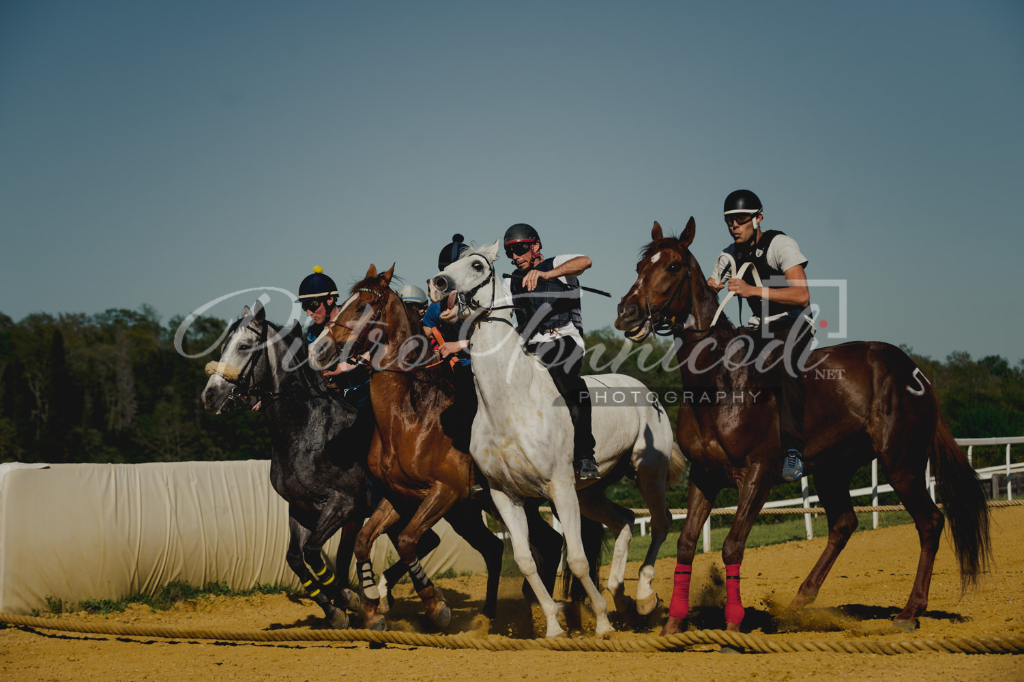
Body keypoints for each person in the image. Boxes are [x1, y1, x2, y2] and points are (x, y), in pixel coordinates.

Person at [706, 190, 813, 481]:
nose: (734, 226)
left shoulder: (781, 244)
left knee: (786, 367)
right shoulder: (729, 254)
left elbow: (802, 295)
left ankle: (793, 451)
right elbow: (713, 283)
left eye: (740, 220)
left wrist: (752, 291)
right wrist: (709, 287)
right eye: (729, 221)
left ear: (758, 218)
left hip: (793, 321)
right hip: (758, 326)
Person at [501, 223, 599, 480]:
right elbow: (499, 314)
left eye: (520, 250)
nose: (515, 257)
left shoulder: (559, 263)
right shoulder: (510, 282)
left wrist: (546, 275)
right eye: (510, 252)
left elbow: (585, 261)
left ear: (535, 246)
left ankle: (586, 455)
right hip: (529, 345)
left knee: (566, 379)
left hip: (563, 338)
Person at [423, 235, 477, 457]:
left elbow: (498, 341)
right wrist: (435, 350)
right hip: (450, 371)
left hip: (480, 369)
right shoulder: (437, 306)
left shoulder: (481, 302)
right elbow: (426, 332)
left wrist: (459, 345)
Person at [297, 265, 371, 408]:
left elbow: (374, 351)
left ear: (330, 300)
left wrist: (345, 367)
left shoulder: (353, 319)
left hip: (365, 393)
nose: (308, 313)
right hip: (336, 399)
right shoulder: (313, 330)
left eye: (312, 305)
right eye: (304, 307)